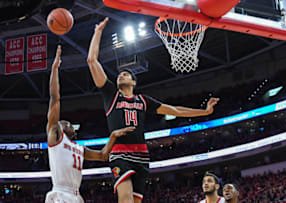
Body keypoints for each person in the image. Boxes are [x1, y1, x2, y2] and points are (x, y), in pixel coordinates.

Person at [87, 17, 220, 203]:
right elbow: (92, 60)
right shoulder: (111, 95)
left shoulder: (143, 100)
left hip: (142, 154)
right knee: (124, 199)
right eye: (119, 75)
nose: (121, 75)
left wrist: (204, 112)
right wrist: (98, 32)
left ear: (133, 82)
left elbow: (175, 110)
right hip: (119, 153)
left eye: (126, 74)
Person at [45, 45, 135, 203]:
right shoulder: (56, 137)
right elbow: (55, 98)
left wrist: (113, 137)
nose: (63, 122)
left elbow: (102, 155)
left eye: (66, 122)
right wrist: (54, 69)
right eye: (62, 122)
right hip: (60, 193)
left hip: (76, 195)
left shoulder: (80, 149)